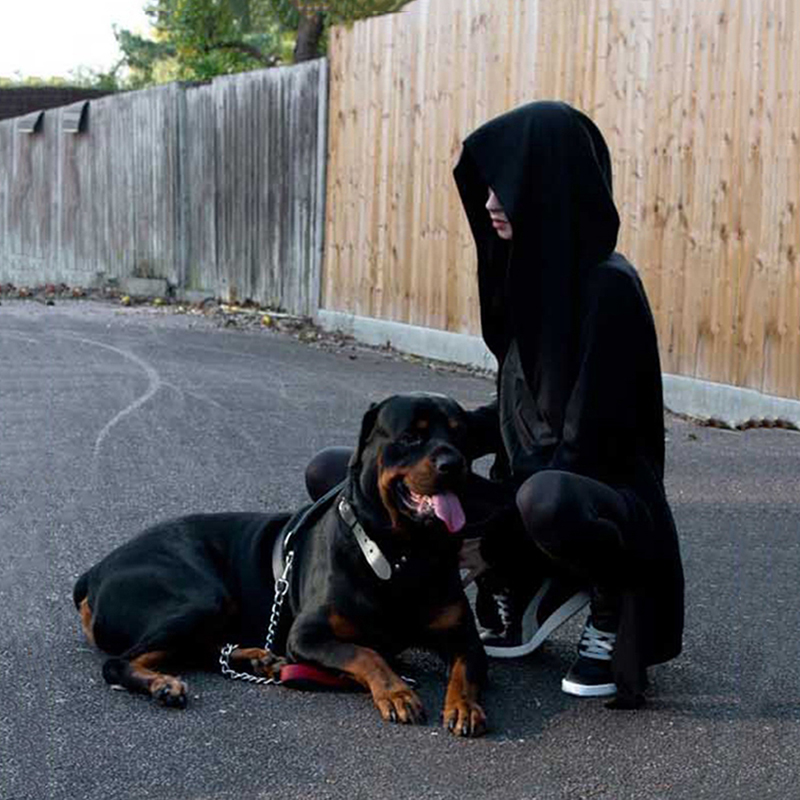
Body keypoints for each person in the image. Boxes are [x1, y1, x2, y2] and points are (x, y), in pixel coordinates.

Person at [451, 100, 684, 708]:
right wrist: (438, 435)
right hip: (532, 486)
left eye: (506, 186)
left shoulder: (609, 287)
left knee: (545, 498)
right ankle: (527, 590)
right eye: (488, 187)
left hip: (599, 498)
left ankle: (606, 604)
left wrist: (493, 540)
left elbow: (587, 444)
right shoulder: (524, 277)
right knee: (358, 467)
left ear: (549, 184)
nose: (490, 203)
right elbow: (520, 414)